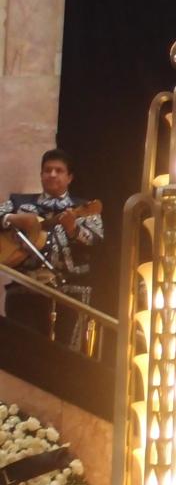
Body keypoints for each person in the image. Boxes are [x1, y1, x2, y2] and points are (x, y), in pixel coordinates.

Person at [0, 149, 103, 348]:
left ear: (69, 177)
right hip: (25, 289)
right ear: (41, 175)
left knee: (66, 355)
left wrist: (73, 230)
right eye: (47, 170)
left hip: (70, 292)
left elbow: (96, 242)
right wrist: (10, 218)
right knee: (23, 353)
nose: (52, 175)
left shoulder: (83, 208)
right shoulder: (18, 202)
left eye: (59, 170)